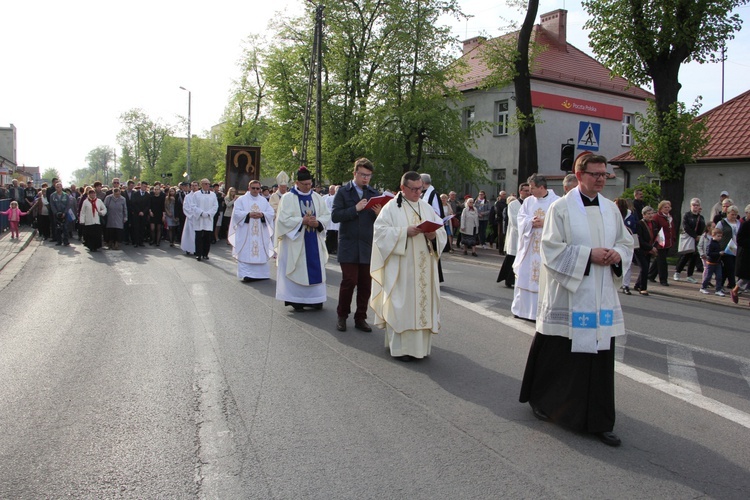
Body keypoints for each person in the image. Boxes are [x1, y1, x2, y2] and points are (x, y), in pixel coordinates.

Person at [519, 153, 633, 447]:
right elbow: (551, 248)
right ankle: (545, 402)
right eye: (594, 174)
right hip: (570, 294)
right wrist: (588, 255)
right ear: (579, 175)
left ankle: (598, 419)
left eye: (604, 175)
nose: (600, 179)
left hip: (600, 293)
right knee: (560, 353)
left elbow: (625, 240)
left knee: (599, 358)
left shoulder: (611, 209)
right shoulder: (562, 207)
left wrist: (617, 254)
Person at [370, 171, 447, 360]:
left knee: (422, 304)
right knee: (402, 306)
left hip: (423, 268)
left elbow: (440, 230)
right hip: (402, 269)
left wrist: (434, 235)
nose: (417, 193)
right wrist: (404, 232)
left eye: (420, 188)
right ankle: (402, 349)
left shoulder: (426, 207)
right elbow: (379, 233)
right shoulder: (390, 208)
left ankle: (421, 349)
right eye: (413, 189)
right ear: (402, 188)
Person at [331, 157, 382, 332]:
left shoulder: (374, 194)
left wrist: (379, 214)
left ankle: (361, 317)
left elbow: (382, 223)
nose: (366, 178)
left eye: (368, 175)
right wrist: (355, 209)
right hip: (348, 244)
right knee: (349, 281)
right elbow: (335, 216)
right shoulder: (343, 192)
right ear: (355, 173)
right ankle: (342, 316)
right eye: (362, 175)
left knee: (365, 284)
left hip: (367, 245)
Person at [275, 166, 331, 311]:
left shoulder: (317, 197)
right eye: (305, 184)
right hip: (296, 241)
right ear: (297, 183)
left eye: (310, 184)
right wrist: (302, 221)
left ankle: (315, 299)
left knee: (315, 267)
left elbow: (326, 215)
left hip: (314, 240)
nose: (308, 187)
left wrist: (318, 222)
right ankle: (296, 300)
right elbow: (282, 220)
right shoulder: (288, 198)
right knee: (297, 268)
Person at [512, 174, 559, 320]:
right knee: (525, 275)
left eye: (532, 188)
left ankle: (541, 313)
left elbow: (560, 222)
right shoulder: (528, 202)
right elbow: (520, 219)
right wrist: (530, 222)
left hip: (546, 248)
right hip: (530, 245)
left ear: (542, 187)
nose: (530, 191)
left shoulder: (556, 202)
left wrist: (545, 223)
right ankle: (523, 311)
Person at [228, 180, 275, 281]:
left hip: (260, 233)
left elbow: (271, 213)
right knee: (246, 252)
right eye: (253, 188)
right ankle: (247, 274)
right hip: (246, 232)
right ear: (249, 188)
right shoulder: (241, 200)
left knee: (260, 251)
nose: (255, 190)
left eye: (257, 188)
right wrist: (248, 214)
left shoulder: (263, 201)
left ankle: (261, 275)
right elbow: (236, 213)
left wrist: (262, 215)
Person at [497, 184, 530, 288]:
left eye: (529, 191)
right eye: (525, 191)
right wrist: (529, 226)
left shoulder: (532, 203)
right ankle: (508, 279)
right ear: (520, 191)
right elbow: (515, 221)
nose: (528, 193)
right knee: (512, 258)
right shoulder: (513, 204)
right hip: (516, 235)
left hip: (528, 235)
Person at [674, 198, 706, 284]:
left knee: (694, 257)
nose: (695, 207)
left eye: (697, 205)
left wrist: (699, 237)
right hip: (689, 237)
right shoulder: (687, 215)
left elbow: (703, 227)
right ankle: (677, 272)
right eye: (694, 205)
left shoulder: (701, 217)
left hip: (697, 239)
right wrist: (694, 236)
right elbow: (686, 226)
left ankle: (690, 275)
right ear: (690, 206)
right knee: (686, 255)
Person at [187, 179, 219, 261]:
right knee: (198, 237)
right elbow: (193, 206)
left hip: (208, 219)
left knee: (207, 237)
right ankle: (198, 254)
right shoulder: (196, 194)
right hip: (199, 218)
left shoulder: (213, 195)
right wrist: (201, 213)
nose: (208, 185)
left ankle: (205, 253)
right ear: (202, 184)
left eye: (209, 184)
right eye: (206, 184)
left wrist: (208, 213)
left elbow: (215, 206)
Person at [648, 200, 675, 286]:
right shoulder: (657, 217)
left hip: (668, 241)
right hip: (660, 242)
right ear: (661, 208)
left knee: (659, 259)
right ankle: (663, 279)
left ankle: (651, 275)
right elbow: (654, 229)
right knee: (662, 261)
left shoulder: (669, 217)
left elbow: (672, 229)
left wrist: (673, 238)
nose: (667, 209)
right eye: (665, 207)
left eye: (668, 207)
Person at [633, 206, 658, 296]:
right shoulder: (640, 224)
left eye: (652, 213)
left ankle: (637, 285)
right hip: (640, 250)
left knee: (646, 268)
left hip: (649, 249)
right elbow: (640, 240)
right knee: (644, 268)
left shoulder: (654, 223)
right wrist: (650, 248)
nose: (651, 215)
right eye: (648, 214)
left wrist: (654, 247)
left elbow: (656, 237)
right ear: (643, 215)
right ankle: (643, 288)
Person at [614, 198, 637, 295]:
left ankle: (626, 285)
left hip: (626, 244)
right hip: (614, 243)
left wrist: (635, 245)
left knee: (627, 264)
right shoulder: (612, 214)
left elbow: (634, 230)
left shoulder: (630, 217)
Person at [716, 205, 741, 291]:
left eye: (735, 214)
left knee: (729, 268)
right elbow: (716, 233)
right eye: (732, 214)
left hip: (736, 248)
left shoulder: (738, 223)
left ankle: (720, 285)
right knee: (729, 267)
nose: (734, 216)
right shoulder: (722, 223)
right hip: (726, 248)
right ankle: (733, 286)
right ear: (728, 213)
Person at [730, 205, 750, 305]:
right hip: (746, 255)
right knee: (745, 277)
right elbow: (740, 240)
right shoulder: (745, 225)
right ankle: (735, 290)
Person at [79, 188, 107, 252]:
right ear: (88, 194)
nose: (93, 195)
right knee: (89, 235)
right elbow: (82, 212)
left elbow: (104, 209)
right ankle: (90, 246)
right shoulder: (85, 202)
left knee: (96, 235)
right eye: (91, 194)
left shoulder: (99, 201)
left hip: (96, 221)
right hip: (88, 221)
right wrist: (82, 220)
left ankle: (96, 246)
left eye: (94, 193)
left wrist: (101, 212)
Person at [700, 227, 726, 296]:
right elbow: (709, 253)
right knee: (708, 276)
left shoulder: (718, 243)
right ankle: (703, 287)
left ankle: (718, 289)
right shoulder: (710, 243)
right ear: (713, 235)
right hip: (711, 263)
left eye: (721, 236)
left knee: (719, 276)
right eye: (718, 236)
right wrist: (718, 253)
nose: (720, 238)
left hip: (718, 263)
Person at [180, 181, 200, 255]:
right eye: (192, 185)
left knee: (197, 235)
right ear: (190, 187)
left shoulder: (201, 196)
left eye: (195, 185)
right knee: (189, 234)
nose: (194, 187)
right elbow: (185, 207)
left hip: (198, 218)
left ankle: (196, 249)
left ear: (198, 186)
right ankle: (188, 248)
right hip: (190, 218)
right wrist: (191, 215)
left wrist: (199, 214)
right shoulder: (188, 196)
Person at [48, 182, 70, 246]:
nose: (57, 188)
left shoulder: (66, 195)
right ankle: (59, 241)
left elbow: (68, 205)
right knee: (58, 228)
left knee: (65, 227)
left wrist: (65, 213)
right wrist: (56, 213)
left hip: (64, 214)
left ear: (61, 187)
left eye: (59, 187)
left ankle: (66, 241)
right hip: (56, 214)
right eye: (56, 187)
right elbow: (52, 205)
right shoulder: (52, 195)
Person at [130, 181, 150, 247]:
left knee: (142, 227)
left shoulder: (148, 195)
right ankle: (136, 242)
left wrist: (143, 212)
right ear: (141, 186)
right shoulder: (135, 194)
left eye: (146, 187)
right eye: (144, 186)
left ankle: (141, 241)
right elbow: (133, 203)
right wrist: (139, 211)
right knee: (136, 228)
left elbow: (148, 205)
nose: (145, 188)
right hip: (136, 214)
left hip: (144, 214)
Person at [323, 185, 340, 255]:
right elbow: (326, 208)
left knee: (336, 235)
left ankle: (335, 248)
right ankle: (328, 248)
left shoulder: (340, 199)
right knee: (330, 234)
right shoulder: (329, 198)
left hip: (337, 219)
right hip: (331, 219)